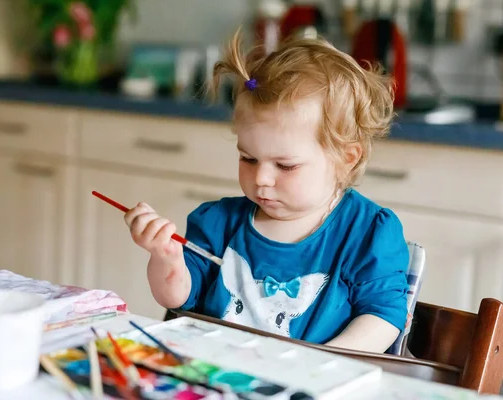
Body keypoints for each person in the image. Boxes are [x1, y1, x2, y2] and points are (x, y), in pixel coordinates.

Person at [124, 31, 409, 353]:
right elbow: (175, 298)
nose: (261, 178)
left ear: (346, 157)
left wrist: (322, 362)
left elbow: (384, 317)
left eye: (285, 166)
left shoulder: (368, 232)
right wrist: (165, 256)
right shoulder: (218, 222)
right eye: (248, 158)